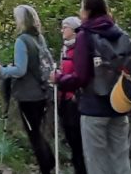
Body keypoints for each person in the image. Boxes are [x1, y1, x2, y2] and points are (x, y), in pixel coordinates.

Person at [55, 0, 131, 174]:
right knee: (121, 159)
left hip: (94, 106)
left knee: (97, 162)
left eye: (81, 7)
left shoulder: (85, 35)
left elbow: (81, 77)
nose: (80, 12)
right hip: (119, 104)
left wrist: (59, 79)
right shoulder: (120, 34)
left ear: (88, 11)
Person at [0, 5, 56, 174]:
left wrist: (2, 70)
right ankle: (49, 162)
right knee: (37, 130)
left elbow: (20, 70)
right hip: (42, 91)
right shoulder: (39, 39)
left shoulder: (22, 41)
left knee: (33, 133)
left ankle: (47, 165)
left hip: (28, 95)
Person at [57, 16, 87, 174]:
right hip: (64, 100)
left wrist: (60, 78)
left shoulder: (79, 50)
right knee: (71, 140)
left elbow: (79, 75)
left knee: (78, 142)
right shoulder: (65, 48)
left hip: (76, 102)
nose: (62, 30)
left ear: (74, 30)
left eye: (65, 27)